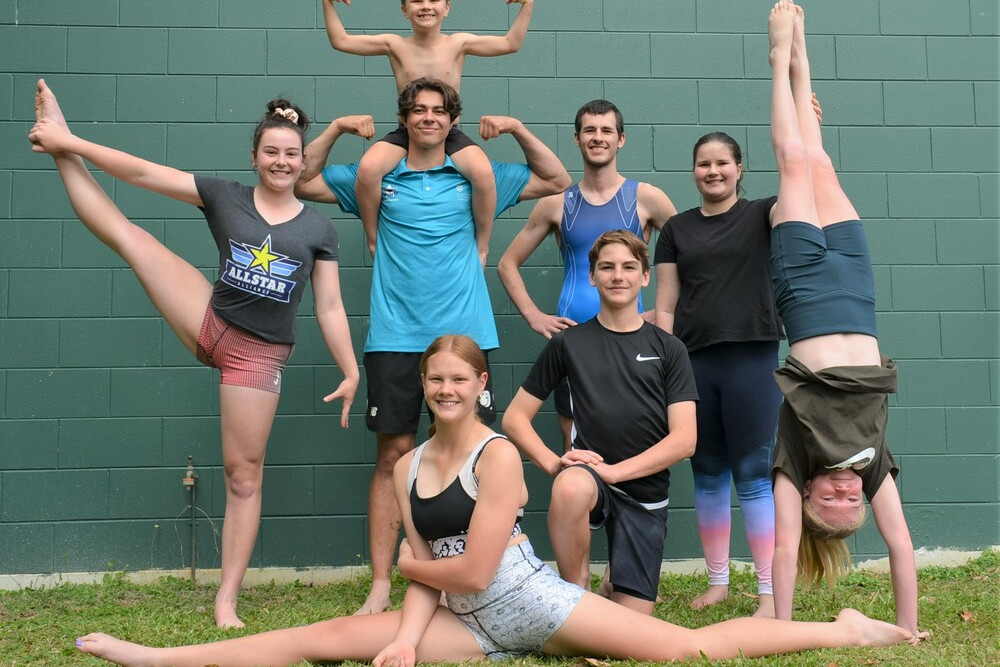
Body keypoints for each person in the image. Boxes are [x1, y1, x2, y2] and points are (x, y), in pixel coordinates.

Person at [74, 334, 920, 667]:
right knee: (319, 639)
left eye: (458, 379)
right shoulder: (406, 471)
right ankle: (156, 658)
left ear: (482, 384)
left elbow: (470, 563)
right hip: (462, 626)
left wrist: (412, 560)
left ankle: (837, 626)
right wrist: (405, 643)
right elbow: (429, 579)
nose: (443, 390)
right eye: (433, 381)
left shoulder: (501, 454)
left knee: (686, 653)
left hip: (528, 602)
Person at [28, 80, 363, 629]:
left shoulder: (319, 228)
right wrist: (74, 144)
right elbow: (140, 173)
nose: (281, 161)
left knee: (242, 476)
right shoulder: (224, 195)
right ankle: (59, 141)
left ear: (305, 162)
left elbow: (329, 307)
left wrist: (349, 370)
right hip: (210, 319)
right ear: (255, 157)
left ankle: (226, 597)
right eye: (271, 152)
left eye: (291, 154)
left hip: (257, 358)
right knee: (130, 237)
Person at [296, 77, 570, 614]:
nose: (428, 118)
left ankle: (474, 573)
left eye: (438, 112)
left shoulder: (476, 176)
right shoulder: (376, 178)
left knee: (476, 457)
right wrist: (332, 129)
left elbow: (556, 177)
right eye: (418, 111)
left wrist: (514, 127)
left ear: (451, 121)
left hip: (464, 337)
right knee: (393, 456)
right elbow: (304, 181)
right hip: (395, 338)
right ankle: (381, 585)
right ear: (405, 119)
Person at [765, 1, 925, 639]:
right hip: (857, 295)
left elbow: (780, 551)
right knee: (822, 161)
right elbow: (903, 548)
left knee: (796, 165)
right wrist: (908, 628)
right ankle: (804, 57)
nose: (842, 495)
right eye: (849, 503)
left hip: (804, 298)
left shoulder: (793, 464)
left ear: (807, 501)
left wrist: (781, 627)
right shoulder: (873, 465)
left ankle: (779, 59)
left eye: (829, 503)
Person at [502, 231, 698, 615]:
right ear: (591, 276)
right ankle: (575, 592)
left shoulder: (668, 348)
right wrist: (553, 462)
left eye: (628, 267)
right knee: (570, 485)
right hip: (589, 479)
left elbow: (685, 440)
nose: (617, 276)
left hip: (644, 492)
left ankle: (618, 580)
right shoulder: (568, 343)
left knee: (632, 623)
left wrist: (616, 472)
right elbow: (514, 418)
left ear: (645, 277)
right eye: (606, 267)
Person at [652, 132, 783, 617]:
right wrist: (664, 369)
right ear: (694, 171)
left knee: (753, 476)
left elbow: (802, 177)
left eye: (722, 163)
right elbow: (664, 307)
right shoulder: (677, 230)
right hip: (693, 363)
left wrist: (805, 124)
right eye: (704, 164)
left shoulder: (763, 215)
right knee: (707, 475)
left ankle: (769, 592)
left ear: (739, 168)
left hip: (752, 359)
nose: (713, 171)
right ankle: (719, 582)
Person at [498, 99, 677, 451]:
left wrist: (665, 313)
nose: (598, 138)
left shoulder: (647, 198)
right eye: (590, 131)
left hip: (632, 340)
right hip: (575, 342)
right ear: (577, 139)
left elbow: (692, 256)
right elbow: (507, 264)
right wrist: (534, 316)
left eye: (606, 130)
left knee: (635, 437)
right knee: (574, 444)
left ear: (621, 139)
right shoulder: (556, 203)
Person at [321, 0, 535, 263]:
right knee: (367, 169)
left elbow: (510, 43)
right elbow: (340, 40)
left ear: (447, 8)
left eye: (434, 1)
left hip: (449, 132)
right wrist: (327, 3)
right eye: (416, 1)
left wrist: (528, 4)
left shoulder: (459, 43)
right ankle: (375, 240)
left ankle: (481, 247)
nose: (425, 6)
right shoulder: (394, 45)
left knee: (482, 172)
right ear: (403, 10)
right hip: (407, 132)